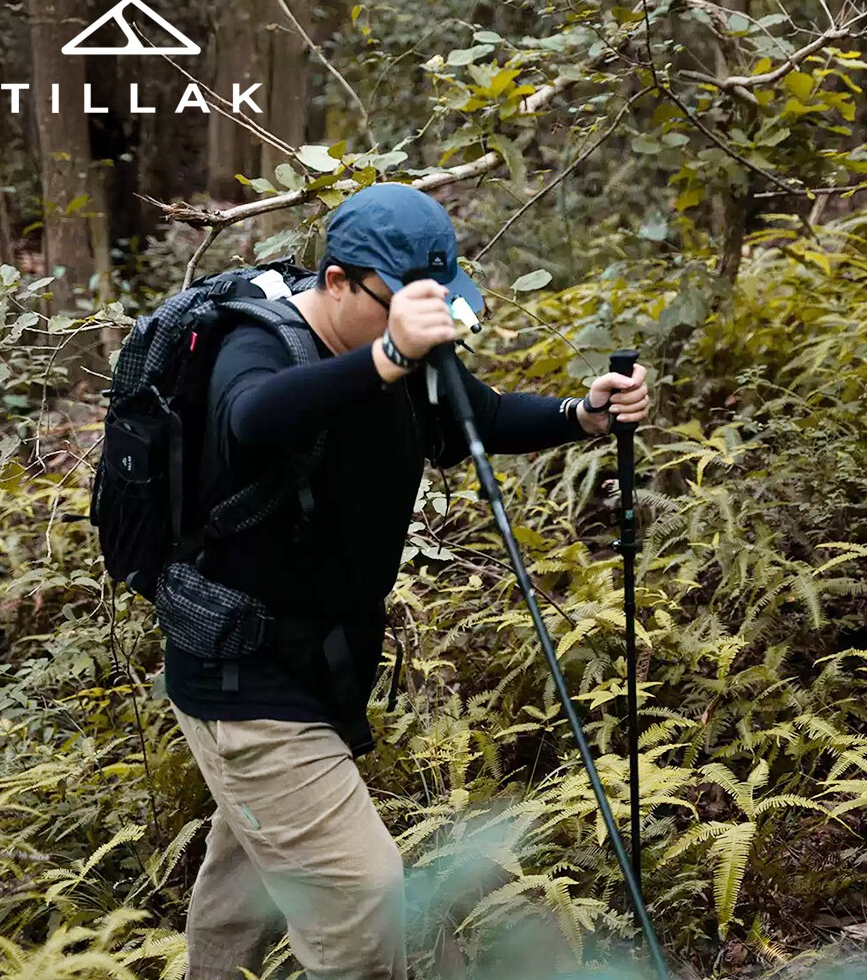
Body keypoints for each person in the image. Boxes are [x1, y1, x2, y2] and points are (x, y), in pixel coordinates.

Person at [166, 182, 650, 980]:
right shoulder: (256, 345)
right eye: (397, 306)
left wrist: (581, 416)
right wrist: (386, 357)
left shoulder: (400, 358)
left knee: (246, 863)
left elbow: (477, 416)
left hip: (318, 667)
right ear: (336, 284)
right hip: (242, 680)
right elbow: (252, 418)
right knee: (361, 890)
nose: (422, 329)